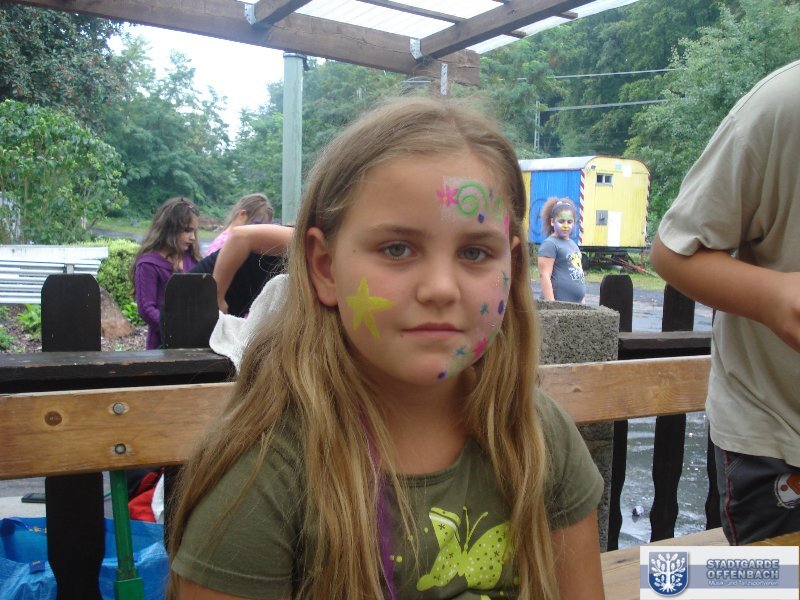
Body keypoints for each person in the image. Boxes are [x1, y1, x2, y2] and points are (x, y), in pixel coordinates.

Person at [168, 97, 604, 599]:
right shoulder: (263, 480)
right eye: (397, 249)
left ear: (511, 265)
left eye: (475, 252)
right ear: (325, 268)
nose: (440, 288)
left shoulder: (537, 435)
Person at [650, 59, 800, 545]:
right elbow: (673, 251)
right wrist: (775, 297)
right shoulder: (783, 104)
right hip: (779, 441)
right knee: (768, 580)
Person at [132, 196, 201, 350]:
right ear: (170, 228)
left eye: (194, 231)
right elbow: (147, 309)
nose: (192, 237)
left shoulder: (192, 259)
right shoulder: (148, 264)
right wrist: (175, 329)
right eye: (187, 230)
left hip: (194, 344)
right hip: (162, 345)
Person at [190, 224, 292, 317]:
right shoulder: (297, 239)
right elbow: (240, 236)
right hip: (207, 288)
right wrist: (217, 296)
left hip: (236, 302)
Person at [537, 197, 586, 303]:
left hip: (576, 307)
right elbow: (544, 275)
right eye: (561, 221)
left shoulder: (573, 245)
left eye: (569, 222)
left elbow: (579, 276)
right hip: (558, 307)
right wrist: (552, 305)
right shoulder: (550, 244)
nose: (565, 226)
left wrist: (583, 303)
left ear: (574, 223)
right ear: (552, 222)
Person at [205, 192, 274, 257]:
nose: (260, 230)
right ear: (242, 214)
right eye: (257, 223)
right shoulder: (227, 243)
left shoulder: (236, 241)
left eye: (264, 227)